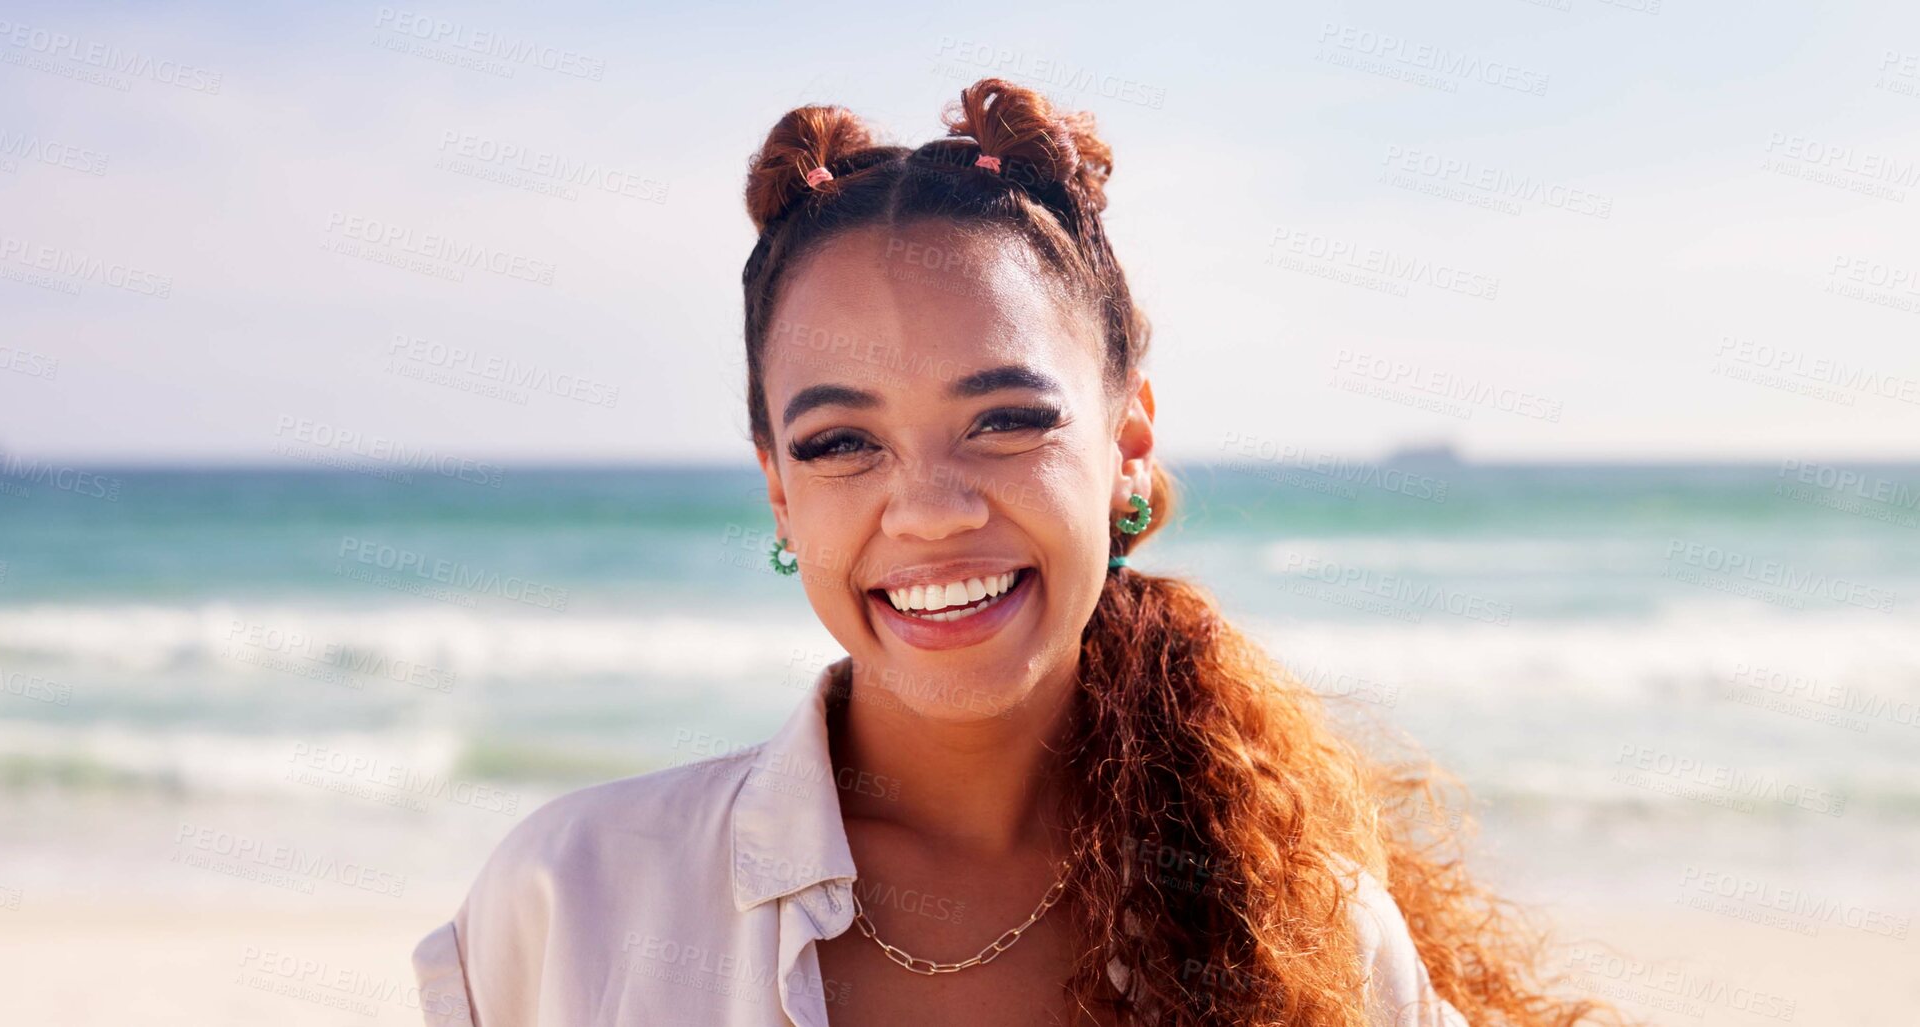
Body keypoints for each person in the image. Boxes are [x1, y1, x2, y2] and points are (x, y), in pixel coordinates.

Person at [411, 78, 1622, 1027]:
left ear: (1127, 439)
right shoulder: (568, 905)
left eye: (1007, 418)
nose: (929, 509)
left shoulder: (1309, 930)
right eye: (841, 442)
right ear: (778, 490)